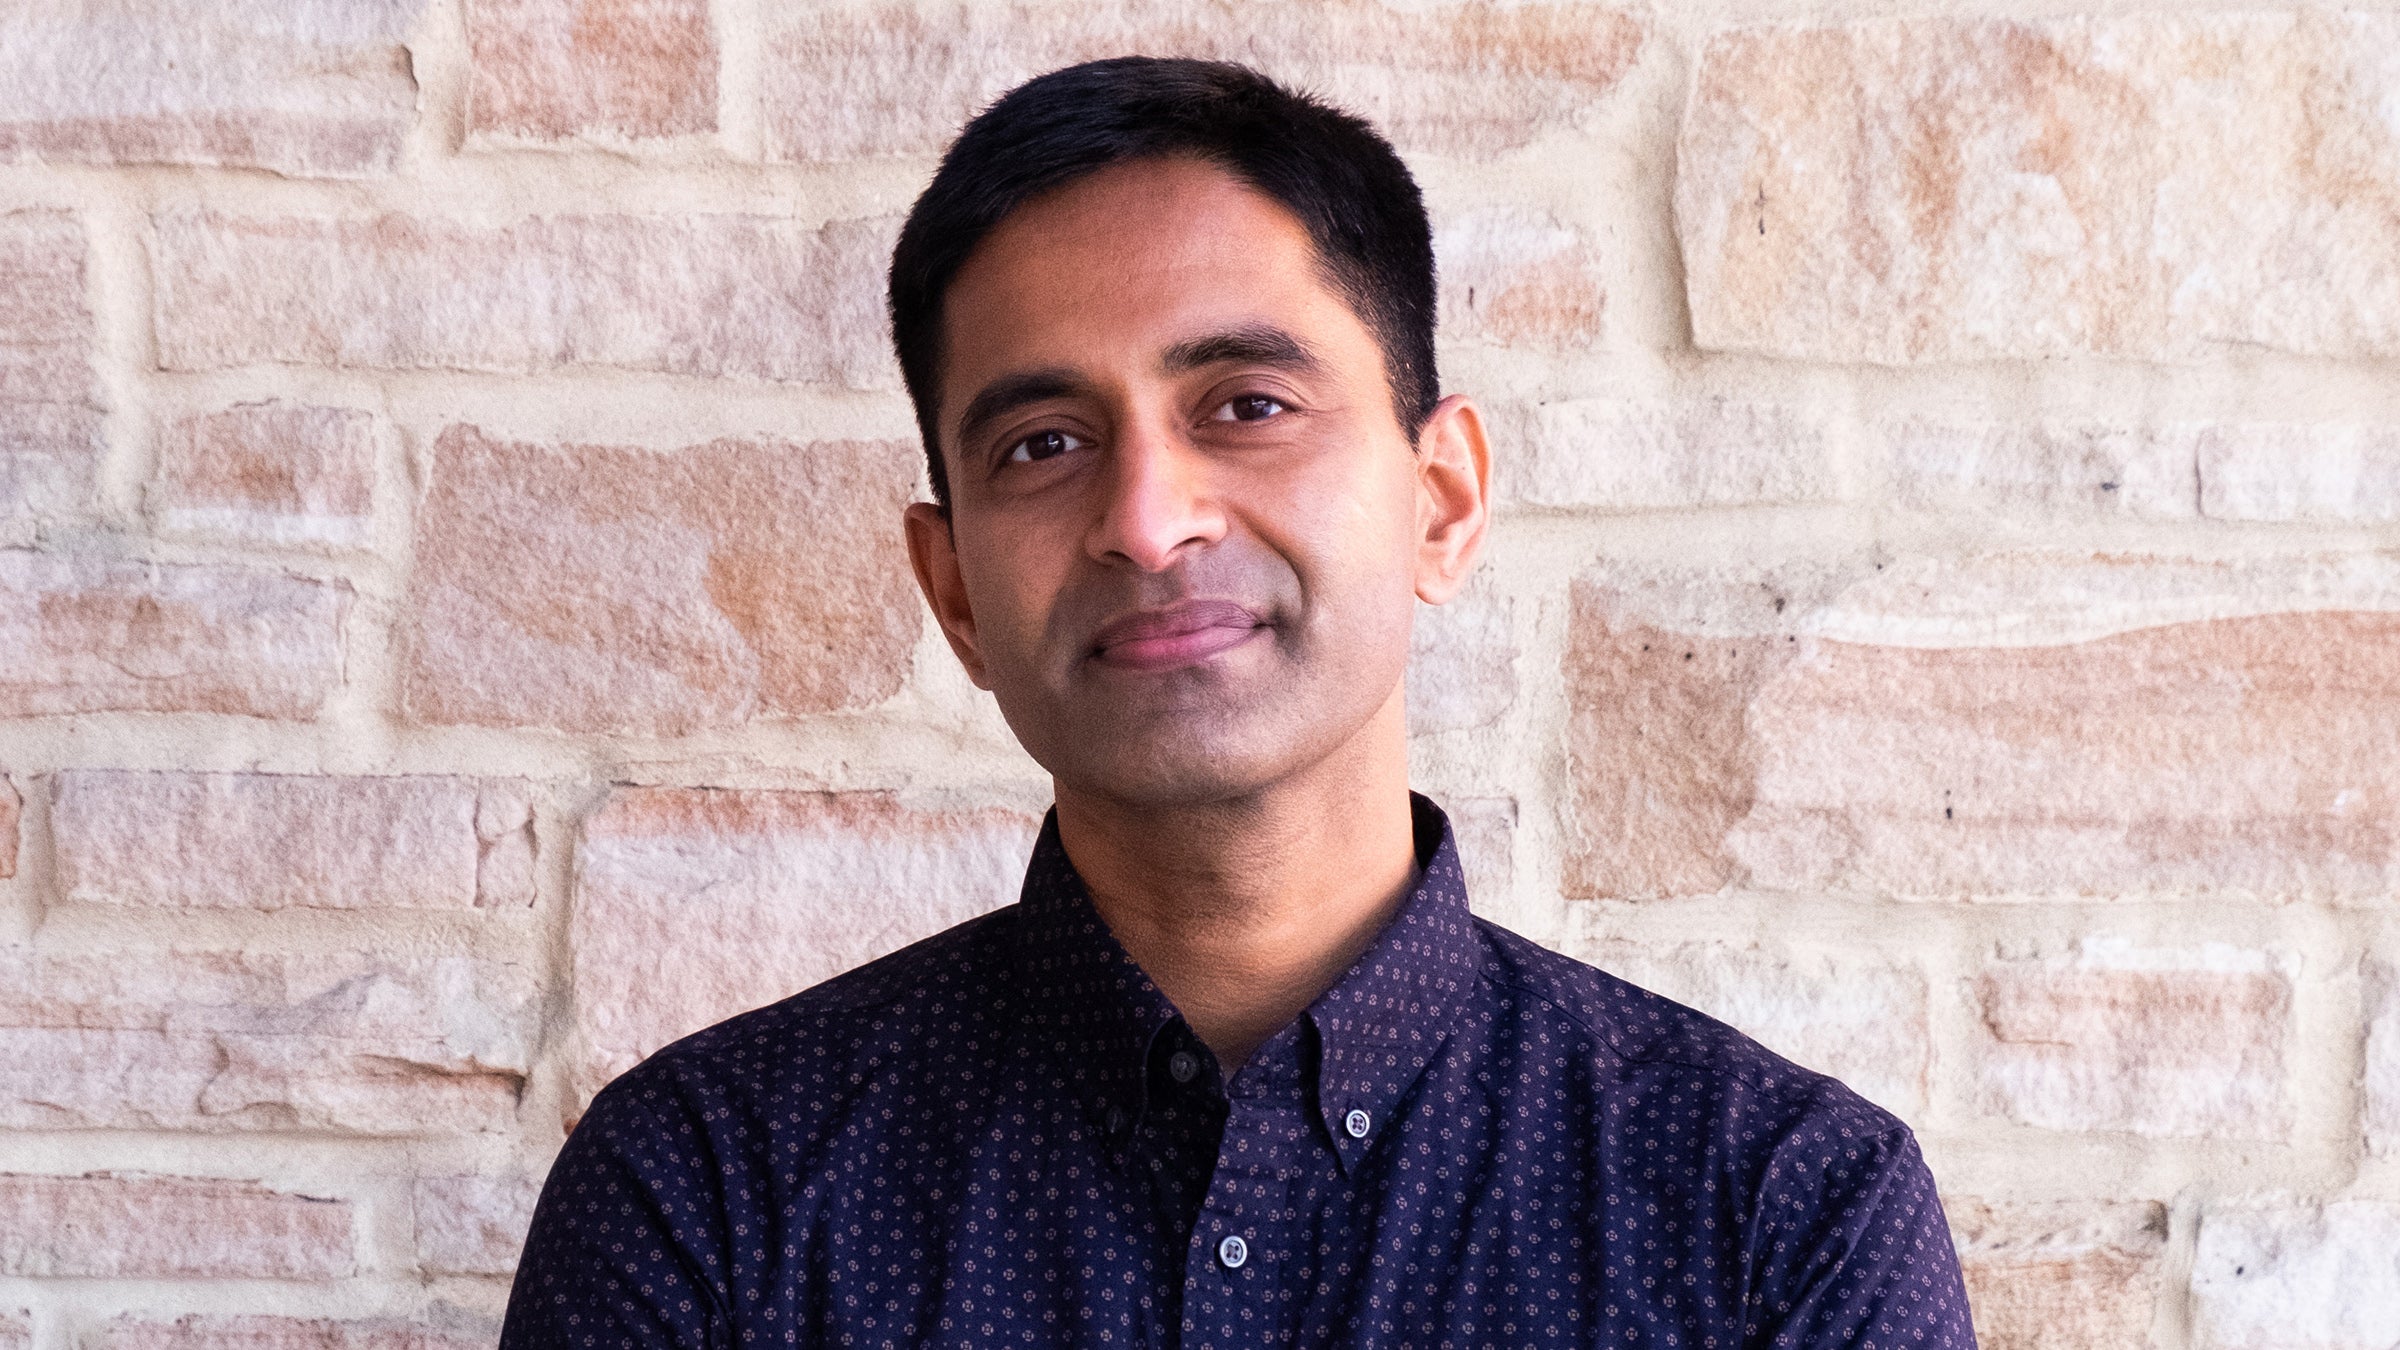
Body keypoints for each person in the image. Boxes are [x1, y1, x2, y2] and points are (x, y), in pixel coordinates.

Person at [500, 56, 1977, 1349]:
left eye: (1246, 406)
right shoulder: (711, 1193)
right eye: (1042, 442)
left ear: (1442, 500)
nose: (1147, 519)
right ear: (954, 590)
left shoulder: (1777, 1211)